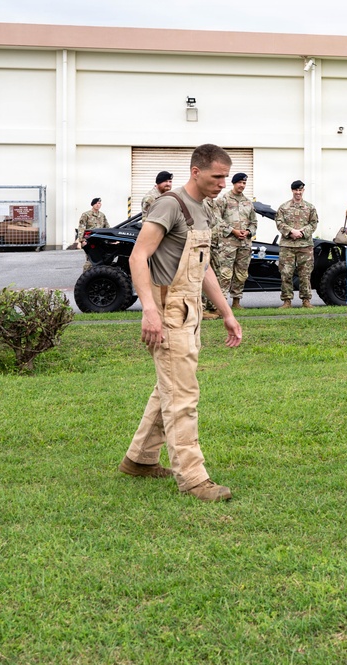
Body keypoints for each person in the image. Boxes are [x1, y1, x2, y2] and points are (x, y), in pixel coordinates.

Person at [118, 143, 242, 502]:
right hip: (168, 311)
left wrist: (228, 314)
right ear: (196, 171)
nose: (223, 182)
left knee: (169, 387)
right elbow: (138, 256)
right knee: (182, 396)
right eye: (217, 176)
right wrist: (149, 310)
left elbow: (202, 269)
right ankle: (193, 478)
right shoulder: (169, 205)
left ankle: (140, 460)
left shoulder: (202, 210)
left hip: (191, 311)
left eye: (225, 176)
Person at [216, 172, 258, 310]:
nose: (242, 185)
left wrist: (248, 232)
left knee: (241, 274)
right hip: (228, 245)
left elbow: (254, 222)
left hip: (244, 244)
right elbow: (216, 220)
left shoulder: (248, 202)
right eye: (240, 182)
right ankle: (221, 304)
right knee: (225, 273)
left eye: (244, 183)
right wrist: (232, 231)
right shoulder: (223, 200)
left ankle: (236, 302)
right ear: (234, 183)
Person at [275, 180, 319, 308]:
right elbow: (279, 222)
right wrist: (291, 232)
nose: (298, 192)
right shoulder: (284, 207)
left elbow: (314, 223)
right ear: (292, 191)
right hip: (287, 246)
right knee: (286, 273)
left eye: (300, 190)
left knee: (305, 274)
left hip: (304, 246)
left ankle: (306, 300)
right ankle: (287, 300)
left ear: (303, 191)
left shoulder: (310, 207)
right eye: (296, 190)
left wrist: (302, 232)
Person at [201, 196, 225, 320]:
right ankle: (201, 308)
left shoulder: (215, 204)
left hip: (215, 245)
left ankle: (213, 306)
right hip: (204, 244)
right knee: (202, 276)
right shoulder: (201, 202)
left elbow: (219, 222)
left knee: (215, 276)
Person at [76, 197, 108, 271]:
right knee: (90, 260)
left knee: (101, 259)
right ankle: (86, 277)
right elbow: (81, 227)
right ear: (93, 204)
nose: (98, 205)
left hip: (100, 241)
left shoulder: (102, 215)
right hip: (89, 240)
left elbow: (107, 227)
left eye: (99, 203)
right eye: (96, 203)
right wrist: (82, 240)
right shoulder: (86, 215)